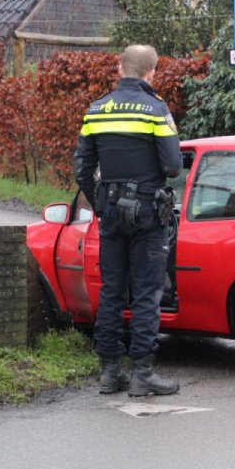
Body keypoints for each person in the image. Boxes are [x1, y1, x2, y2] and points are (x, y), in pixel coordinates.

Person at [74, 45, 182, 396]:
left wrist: (102, 205)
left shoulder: (96, 110)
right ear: (152, 71)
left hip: (111, 216)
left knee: (111, 292)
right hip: (148, 214)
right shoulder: (156, 110)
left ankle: (109, 372)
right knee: (147, 294)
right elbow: (173, 166)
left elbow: (82, 170)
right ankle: (143, 374)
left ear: (119, 68)